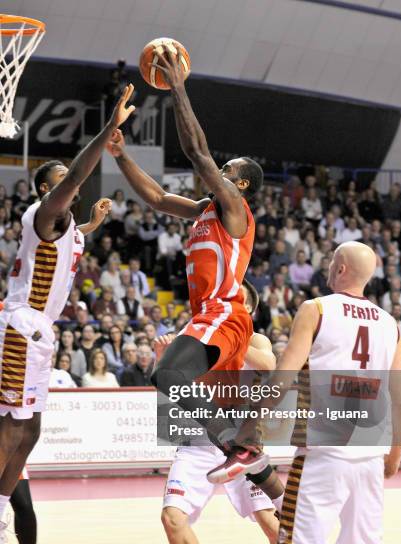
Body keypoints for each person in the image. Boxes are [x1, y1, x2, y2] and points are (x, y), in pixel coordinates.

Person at [107, 45, 266, 475]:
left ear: (242, 182)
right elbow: (157, 198)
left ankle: (238, 447)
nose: (221, 172)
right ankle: (257, 468)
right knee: (184, 386)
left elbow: (198, 153)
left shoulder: (235, 207)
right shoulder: (203, 210)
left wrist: (177, 87)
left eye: (228, 169)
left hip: (224, 315)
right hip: (211, 319)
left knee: (168, 376)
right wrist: (121, 156)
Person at [0, 84, 134, 544]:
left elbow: (66, 248)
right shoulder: (45, 215)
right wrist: (108, 128)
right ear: (46, 192)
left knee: (29, 431)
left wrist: (94, 226)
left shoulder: (68, 228)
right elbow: (78, 174)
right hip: (21, 326)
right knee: (14, 427)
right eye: (63, 185)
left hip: (40, 333)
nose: (74, 189)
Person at [157, 280, 324, 544]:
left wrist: (226, 334)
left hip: (242, 446)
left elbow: (269, 365)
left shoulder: (253, 338)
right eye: (224, 300)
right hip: (198, 443)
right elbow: (170, 395)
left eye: (236, 301)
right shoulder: (197, 337)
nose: (228, 304)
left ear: (249, 309)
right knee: (171, 518)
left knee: (269, 520)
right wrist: (163, 360)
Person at [270, 242, 401, 544]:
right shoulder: (390, 325)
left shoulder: (315, 309)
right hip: (368, 455)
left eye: (332, 261)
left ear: (341, 268)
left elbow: (283, 374)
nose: (328, 266)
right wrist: (394, 456)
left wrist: (251, 422)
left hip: (322, 453)